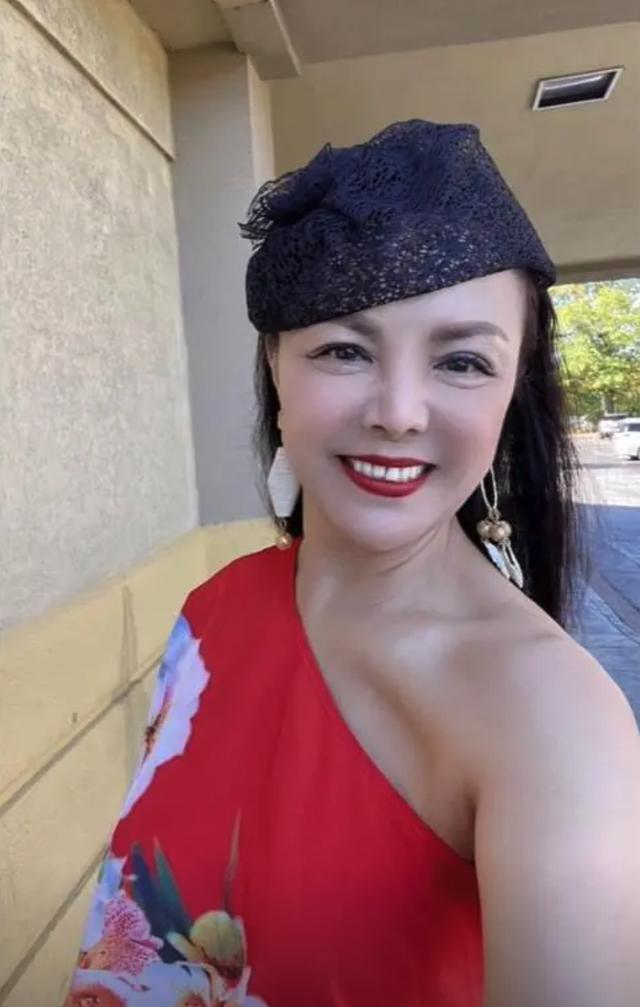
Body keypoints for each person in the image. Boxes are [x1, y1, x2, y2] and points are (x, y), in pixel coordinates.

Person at [65, 121, 640, 1007]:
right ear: (275, 362)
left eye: (462, 360)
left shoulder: (552, 721)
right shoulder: (213, 610)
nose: (399, 412)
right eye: (344, 349)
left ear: (512, 389)